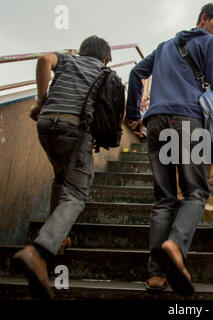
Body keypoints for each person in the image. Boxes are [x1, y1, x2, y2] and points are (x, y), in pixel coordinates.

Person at [126, 3, 213, 296]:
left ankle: (156, 276)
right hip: (188, 120)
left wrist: (133, 113)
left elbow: (136, 73)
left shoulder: (164, 46)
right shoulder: (210, 43)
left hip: (156, 122)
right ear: (204, 19)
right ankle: (175, 245)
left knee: (164, 199)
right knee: (197, 192)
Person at [12, 35, 112, 299]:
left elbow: (45, 59)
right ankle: (40, 249)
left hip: (46, 125)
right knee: (76, 196)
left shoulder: (68, 60)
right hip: (75, 128)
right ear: (105, 58)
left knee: (60, 178)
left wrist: (41, 100)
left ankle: (58, 238)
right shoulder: (103, 72)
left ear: (81, 51)